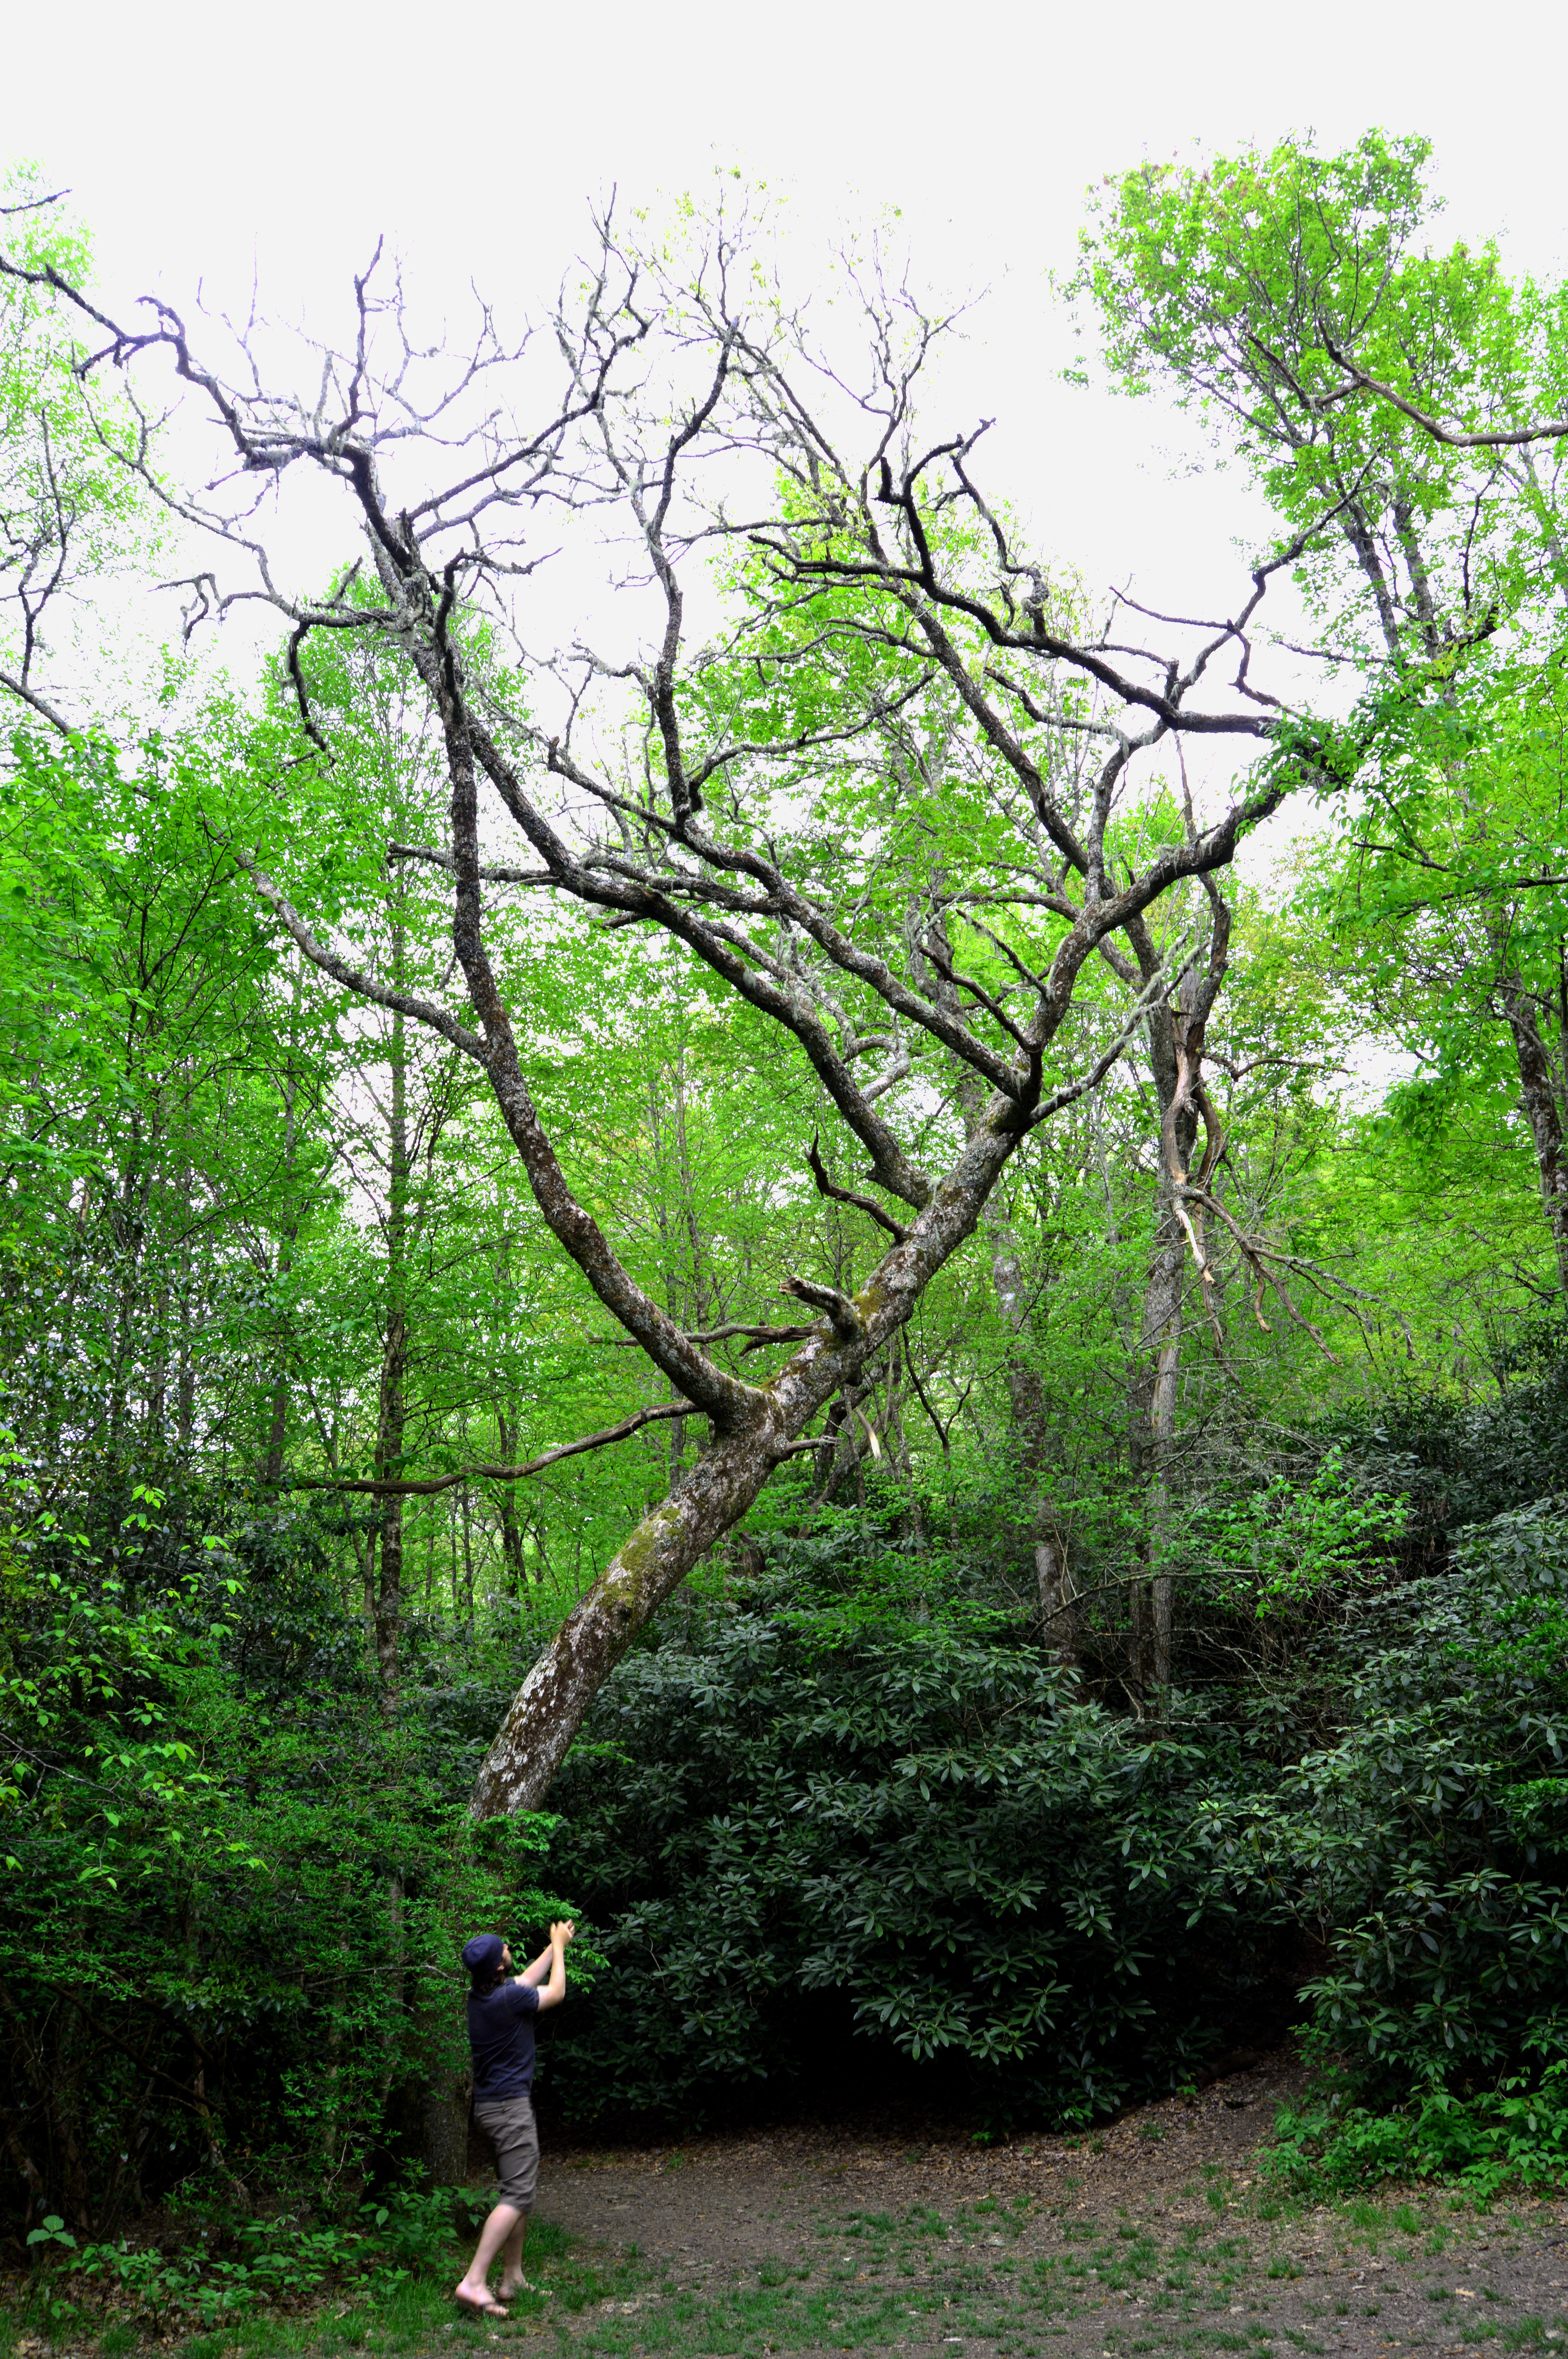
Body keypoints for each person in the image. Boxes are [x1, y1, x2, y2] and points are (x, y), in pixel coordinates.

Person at [453, 1918, 574, 2320]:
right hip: (510, 2111)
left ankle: (512, 2277)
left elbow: (524, 1979)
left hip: (489, 2110)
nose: (506, 1945)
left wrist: (555, 1943)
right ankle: (474, 2281)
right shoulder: (508, 1999)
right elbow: (555, 1992)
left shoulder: (482, 1995)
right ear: (499, 1968)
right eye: (502, 1947)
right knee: (518, 2196)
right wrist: (558, 1949)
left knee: (514, 2191)